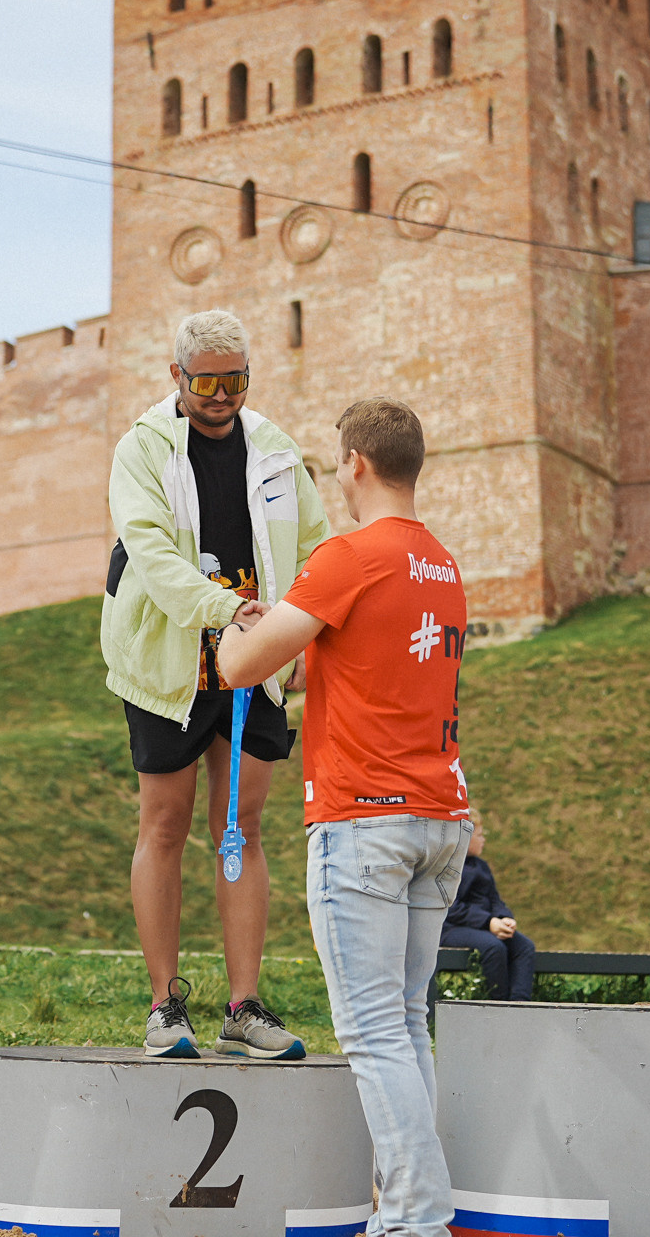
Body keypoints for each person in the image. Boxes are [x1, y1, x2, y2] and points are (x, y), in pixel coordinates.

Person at [217, 398, 469, 1237]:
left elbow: (243, 667)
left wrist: (235, 629)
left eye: (335, 458)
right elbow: (353, 670)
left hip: (364, 818)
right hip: (440, 818)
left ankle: (413, 1221)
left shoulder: (348, 555)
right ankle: (407, 1212)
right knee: (404, 1028)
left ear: (356, 462)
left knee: (373, 1035)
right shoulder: (443, 563)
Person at [102, 309, 329, 1059]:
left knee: (245, 828)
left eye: (235, 379)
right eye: (207, 381)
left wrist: (300, 630)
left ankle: (243, 1005)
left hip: (256, 660)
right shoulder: (142, 449)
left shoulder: (277, 452)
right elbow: (151, 552)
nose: (222, 395)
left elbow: (316, 549)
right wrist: (227, 609)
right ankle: (166, 1006)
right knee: (164, 824)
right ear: (178, 378)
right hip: (171, 660)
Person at [443, 815, 536, 1000]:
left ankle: (520, 1006)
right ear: (464, 837)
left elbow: (494, 900)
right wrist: (488, 922)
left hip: (484, 926)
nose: (483, 839)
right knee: (494, 947)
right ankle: (497, 1007)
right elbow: (451, 906)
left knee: (525, 946)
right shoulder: (447, 866)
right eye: (479, 835)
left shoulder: (481, 866)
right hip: (452, 928)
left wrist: (503, 918)